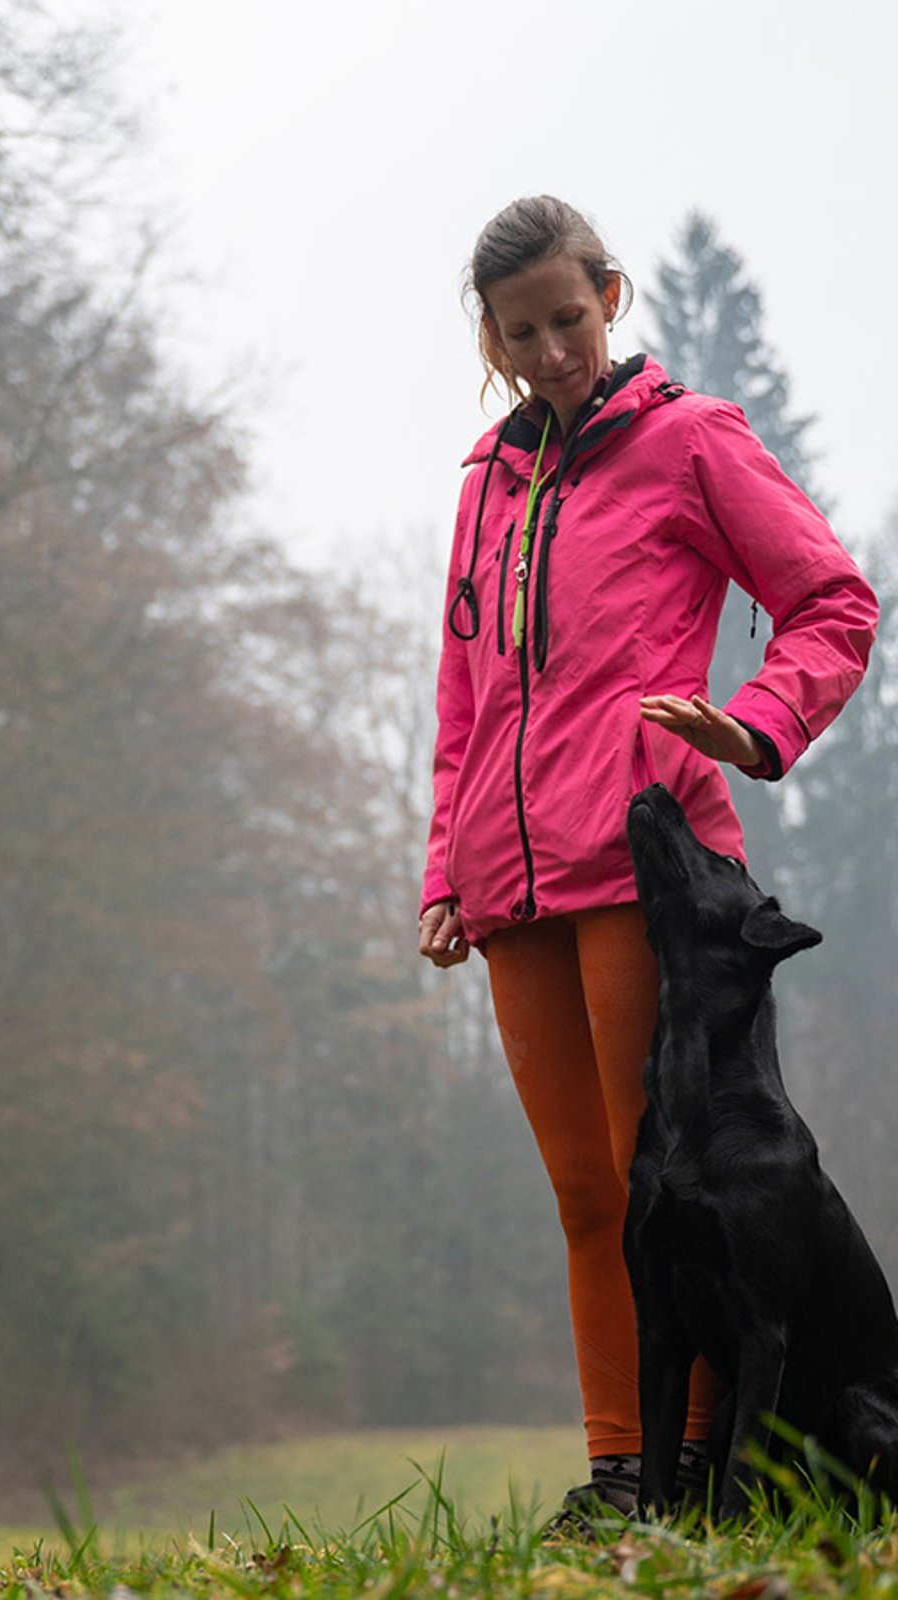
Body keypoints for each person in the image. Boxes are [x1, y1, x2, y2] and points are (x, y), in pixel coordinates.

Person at [417, 195, 878, 1522]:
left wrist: (756, 721)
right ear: (491, 339)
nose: (554, 350)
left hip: (650, 876)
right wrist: (447, 866)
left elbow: (834, 603)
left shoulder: (693, 444)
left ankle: (712, 1476)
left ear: (610, 297)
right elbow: (463, 695)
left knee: (666, 1193)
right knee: (584, 1197)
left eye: (571, 318)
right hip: (509, 891)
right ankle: (623, 1474)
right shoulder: (488, 487)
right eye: (523, 332)